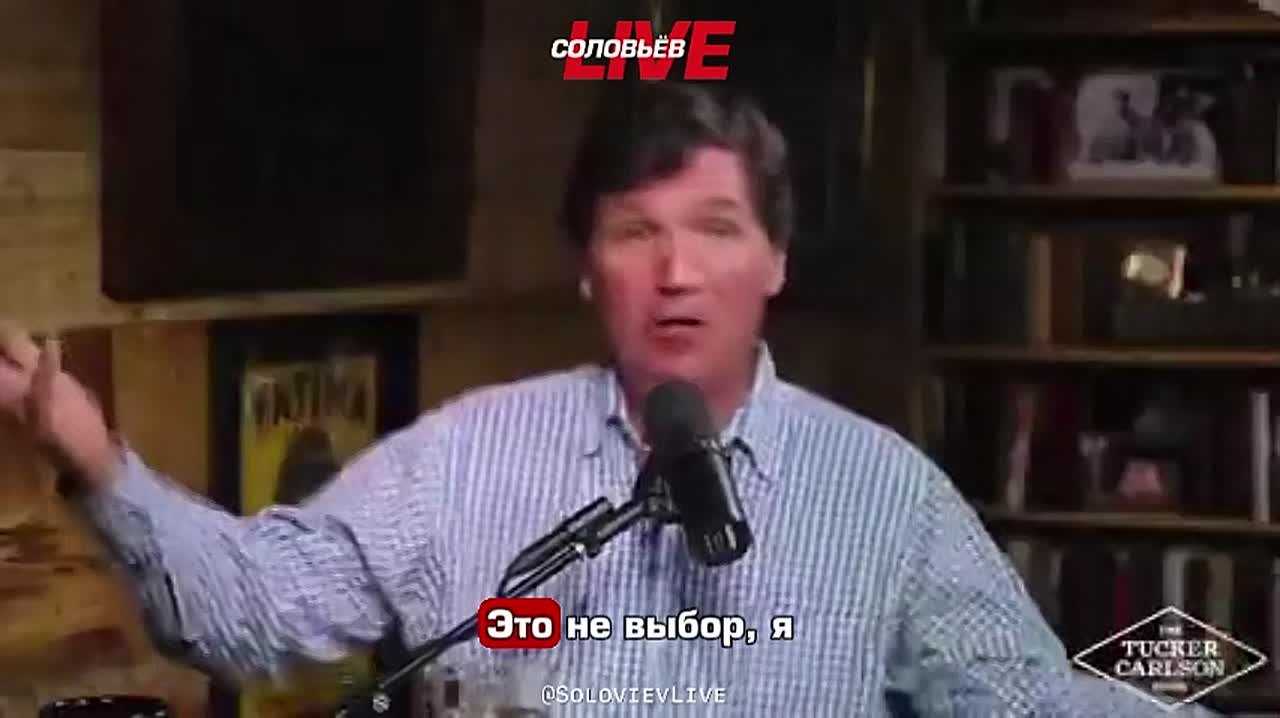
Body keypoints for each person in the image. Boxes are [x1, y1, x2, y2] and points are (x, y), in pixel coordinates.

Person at [0, 82, 1218, 717]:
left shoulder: (883, 495)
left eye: (715, 228)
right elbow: (254, 612)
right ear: (587, 266)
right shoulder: (466, 459)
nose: (675, 271)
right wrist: (97, 460)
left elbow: (1029, 704)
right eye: (635, 232)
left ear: (774, 261)